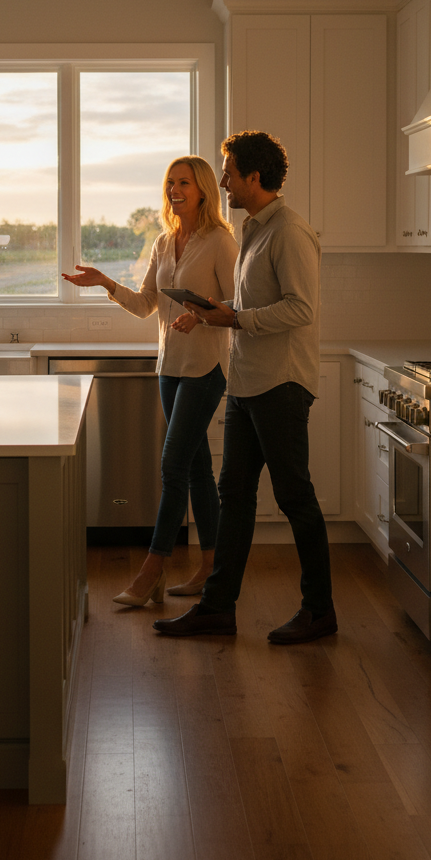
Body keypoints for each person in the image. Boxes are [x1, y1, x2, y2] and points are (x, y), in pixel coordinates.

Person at [152, 130, 337, 644]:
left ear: (255, 176)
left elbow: (302, 309)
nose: (224, 181)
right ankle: (216, 608)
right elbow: (250, 304)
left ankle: (320, 610)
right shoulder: (254, 229)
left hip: (281, 384)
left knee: (295, 495)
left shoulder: (290, 232)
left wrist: (235, 320)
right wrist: (217, 314)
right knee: (233, 494)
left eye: (230, 172)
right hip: (247, 382)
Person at [62, 156, 238, 606]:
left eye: (184, 182)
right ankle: (210, 569)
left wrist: (199, 316)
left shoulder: (219, 241)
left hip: (205, 370)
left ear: (203, 190)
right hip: (170, 370)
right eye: (170, 182)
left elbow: (236, 306)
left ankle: (151, 570)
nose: (175, 189)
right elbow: (145, 305)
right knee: (197, 471)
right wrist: (105, 282)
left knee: (172, 466)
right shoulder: (163, 242)